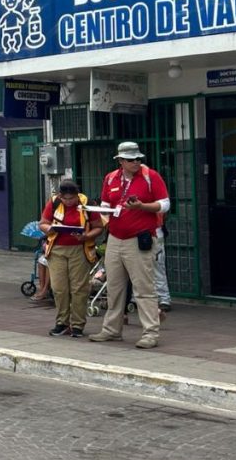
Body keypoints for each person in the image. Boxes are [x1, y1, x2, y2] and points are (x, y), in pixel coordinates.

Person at [89, 142, 170, 349]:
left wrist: (142, 206)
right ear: (121, 161)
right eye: (131, 159)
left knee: (144, 288)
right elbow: (107, 205)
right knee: (114, 287)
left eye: (138, 158)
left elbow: (165, 203)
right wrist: (98, 212)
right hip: (115, 238)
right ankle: (111, 330)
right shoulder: (110, 178)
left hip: (139, 238)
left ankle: (150, 333)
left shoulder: (150, 176)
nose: (136, 162)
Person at [39, 180, 103, 338]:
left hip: (79, 250)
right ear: (60, 196)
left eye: (72, 198)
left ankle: (77, 324)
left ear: (77, 195)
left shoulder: (86, 203)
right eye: (65, 198)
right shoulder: (53, 203)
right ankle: (62, 323)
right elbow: (43, 223)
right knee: (59, 288)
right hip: (57, 250)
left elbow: (99, 227)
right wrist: (51, 229)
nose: (68, 202)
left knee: (79, 288)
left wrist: (86, 236)